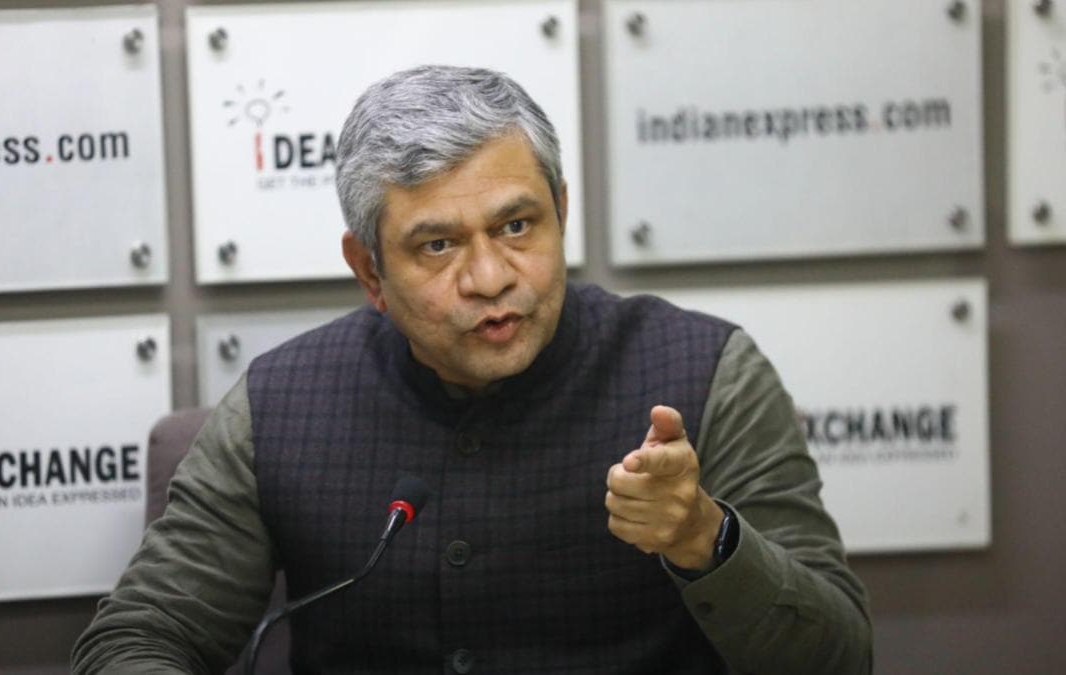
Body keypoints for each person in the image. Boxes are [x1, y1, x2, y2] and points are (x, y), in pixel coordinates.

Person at [73, 65, 871, 674]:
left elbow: (839, 656)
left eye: (517, 225)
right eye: (438, 244)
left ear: (562, 211)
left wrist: (705, 536)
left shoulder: (708, 372)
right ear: (369, 269)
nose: (490, 277)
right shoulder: (280, 405)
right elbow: (140, 636)